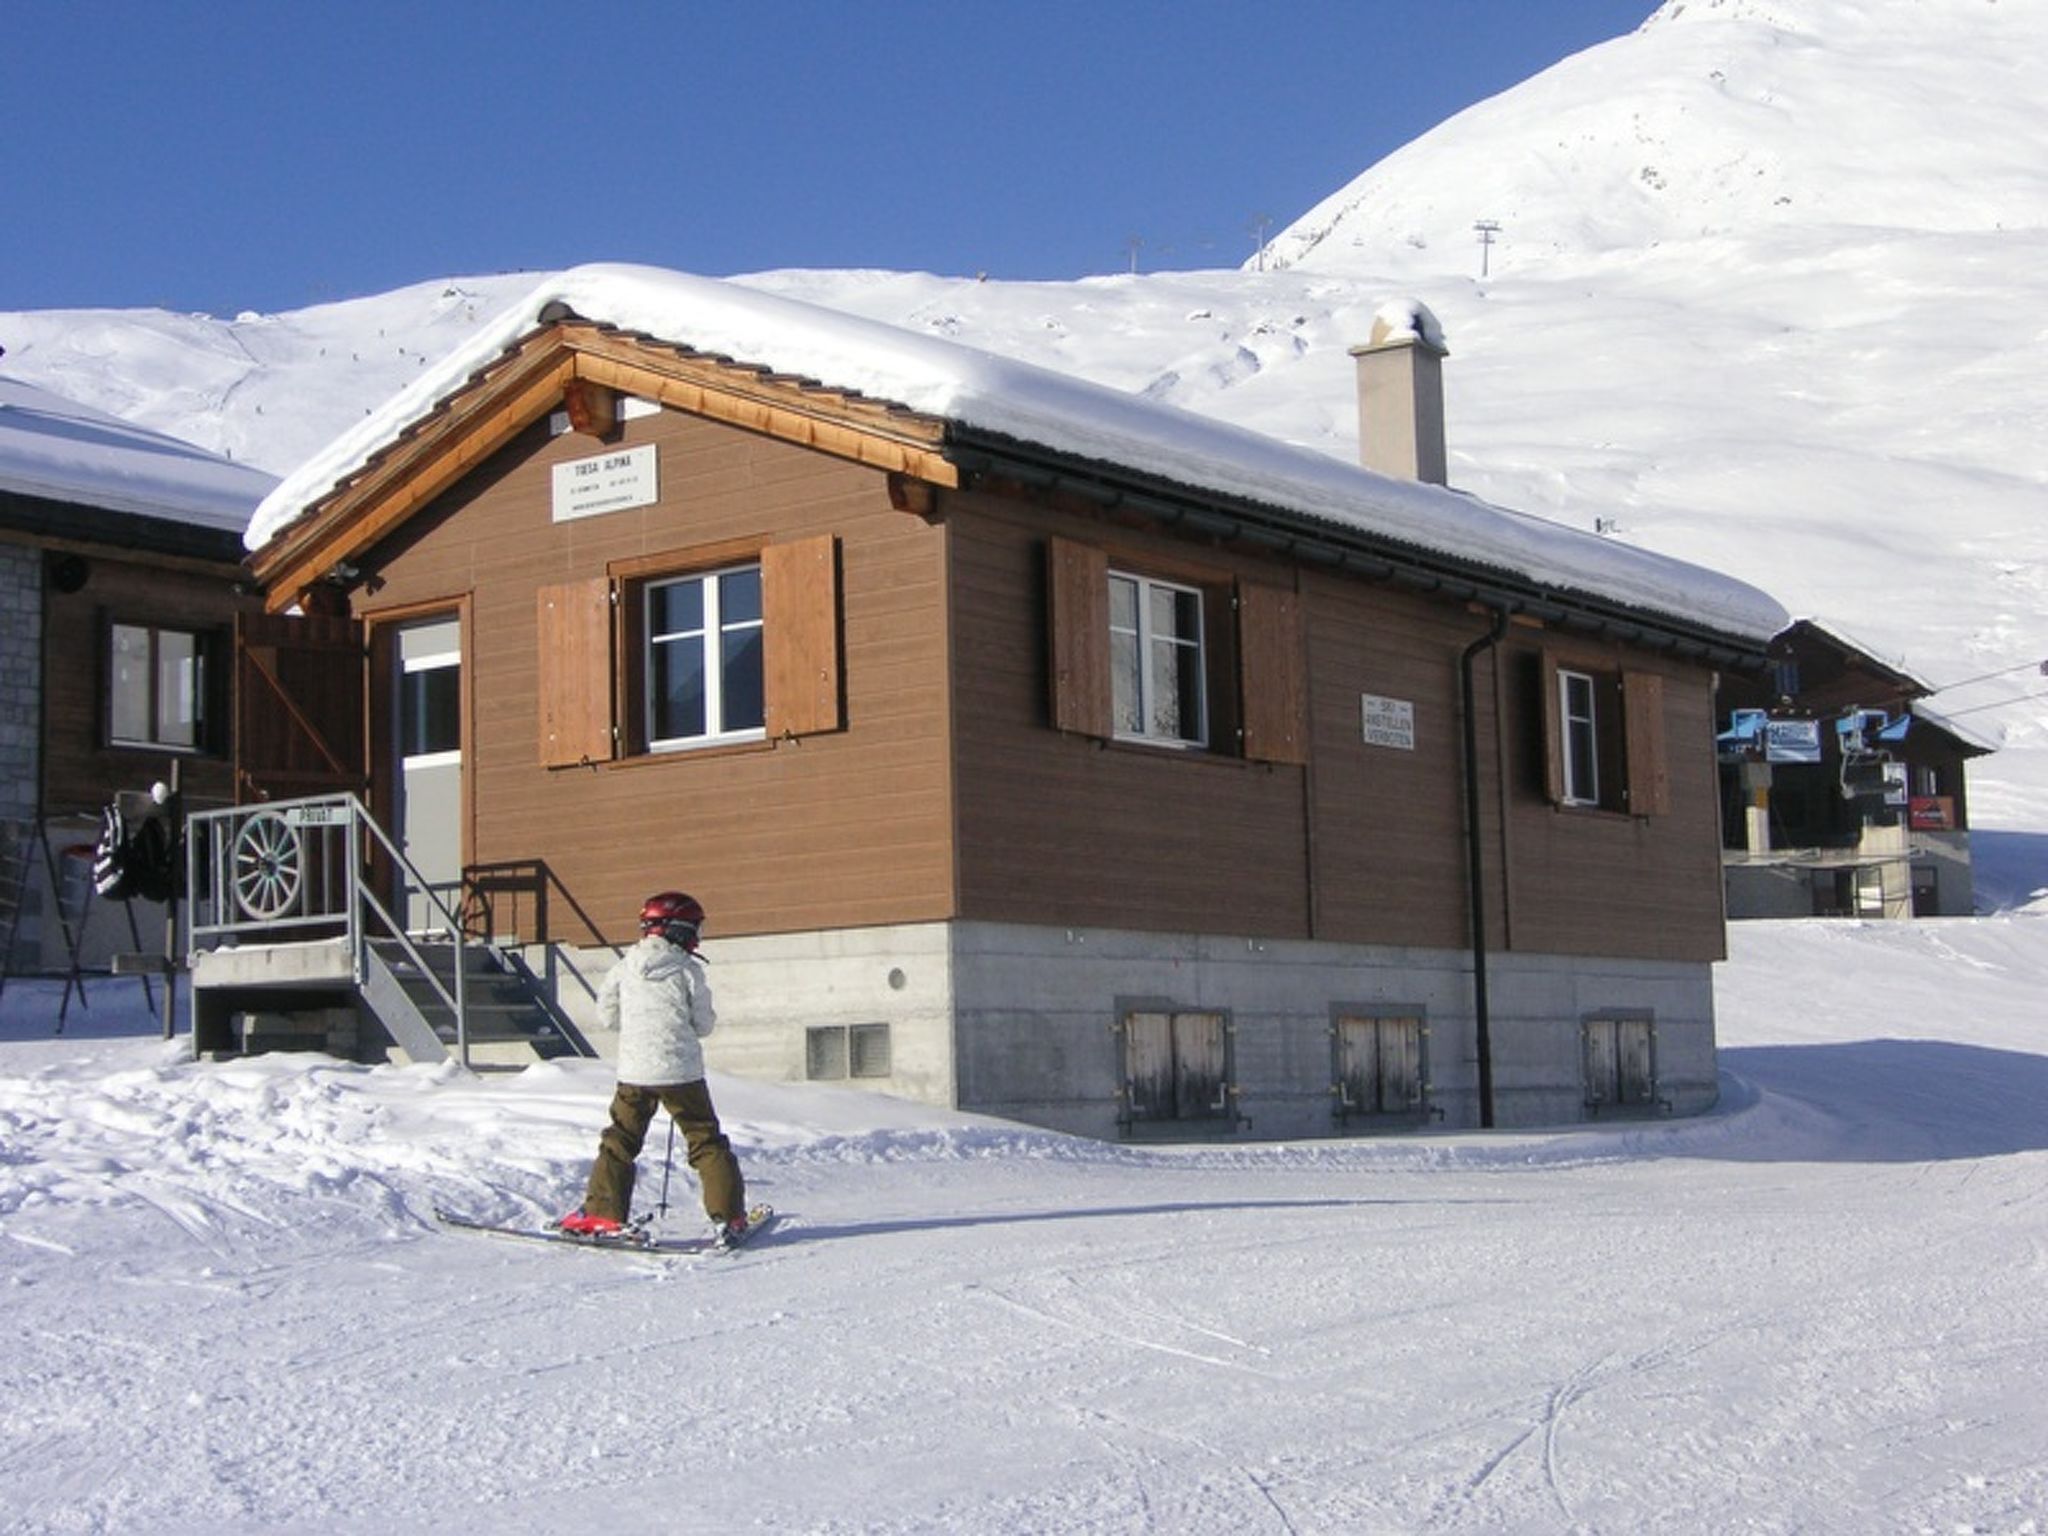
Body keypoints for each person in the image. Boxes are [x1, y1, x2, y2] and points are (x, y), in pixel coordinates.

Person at [560, 891, 748, 1244]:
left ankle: (602, 1214)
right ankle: (728, 1216)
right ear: (678, 929)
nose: (697, 936)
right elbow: (704, 1025)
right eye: (695, 928)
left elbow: (607, 1016)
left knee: (619, 1141)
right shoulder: (688, 970)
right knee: (706, 1142)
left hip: (635, 1073)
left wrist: (639, 1030)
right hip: (682, 1074)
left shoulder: (624, 967)